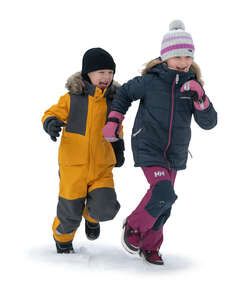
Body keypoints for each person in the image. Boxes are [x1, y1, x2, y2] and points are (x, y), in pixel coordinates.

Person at [103, 20, 217, 265]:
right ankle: (133, 227)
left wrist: (200, 97)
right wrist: (114, 119)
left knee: (165, 202)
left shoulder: (192, 85)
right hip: (148, 144)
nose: (183, 61)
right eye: (177, 56)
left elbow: (209, 123)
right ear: (165, 56)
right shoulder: (150, 81)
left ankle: (150, 246)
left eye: (188, 56)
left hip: (174, 153)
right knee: (163, 192)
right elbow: (124, 94)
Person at [42, 48, 124, 253]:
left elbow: (117, 128)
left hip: (101, 168)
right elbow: (52, 113)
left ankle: (92, 217)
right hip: (73, 167)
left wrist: (118, 147)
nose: (106, 77)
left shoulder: (113, 102)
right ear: (88, 73)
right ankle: (62, 239)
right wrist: (51, 122)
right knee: (69, 212)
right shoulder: (72, 98)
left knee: (106, 207)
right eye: (101, 72)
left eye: (110, 73)